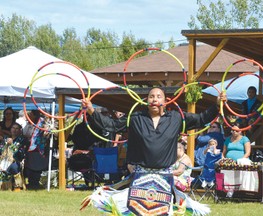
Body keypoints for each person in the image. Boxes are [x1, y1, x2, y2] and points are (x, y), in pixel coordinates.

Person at [81, 87, 226, 215]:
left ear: (166, 100)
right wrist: (91, 110)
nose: (154, 99)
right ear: (146, 100)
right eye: (151, 96)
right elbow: (111, 125)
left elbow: (201, 119)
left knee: (161, 211)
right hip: (140, 175)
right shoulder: (136, 118)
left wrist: (217, 104)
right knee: (138, 211)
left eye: (158, 96)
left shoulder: (176, 118)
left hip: (164, 176)